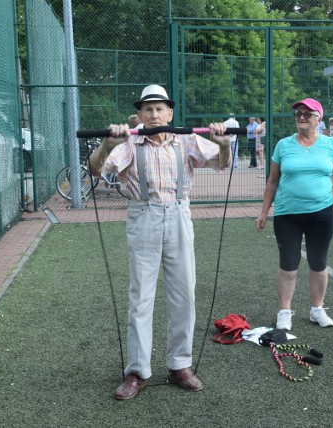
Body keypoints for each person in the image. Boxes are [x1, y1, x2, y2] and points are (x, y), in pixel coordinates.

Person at [87, 84, 232, 400]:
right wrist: (106, 142)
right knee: (141, 297)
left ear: (171, 112)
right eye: (148, 109)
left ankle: (180, 364)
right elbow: (95, 169)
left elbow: (222, 163)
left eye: (160, 108)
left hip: (179, 214)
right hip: (144, 216)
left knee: (184, 293)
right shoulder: (129, 143)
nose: (154, 114)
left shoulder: (187, 140)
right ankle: (137, 371)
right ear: (138, 115)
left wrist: (222, 143)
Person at [255, 98, 333, 331]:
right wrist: (263, 212)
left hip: (321, 214)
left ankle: (316, 309)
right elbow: (272, 181)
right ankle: (284, 312)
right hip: (287, 214)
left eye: (307, 113)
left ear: (318, 119)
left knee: (319, 263)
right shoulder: (283, 145)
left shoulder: (330, 145)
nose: (301, 117)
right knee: (289, 264)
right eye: (298, 113)